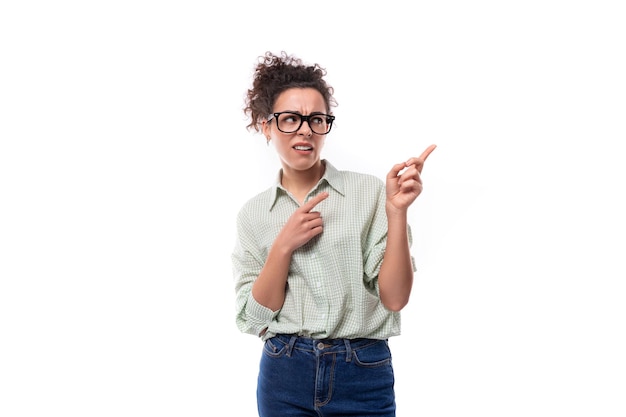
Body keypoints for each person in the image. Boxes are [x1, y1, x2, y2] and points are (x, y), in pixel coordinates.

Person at [232, 51, 436, 417]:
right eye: (290, 119)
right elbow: (254, 317)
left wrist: (396, 211)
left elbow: (395, 298)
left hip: (363, 370)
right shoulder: (254, 215)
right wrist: (282, 247)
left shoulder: (371, 193)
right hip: (284, 372)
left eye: (316, 119)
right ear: (266, 126)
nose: (306, 130)